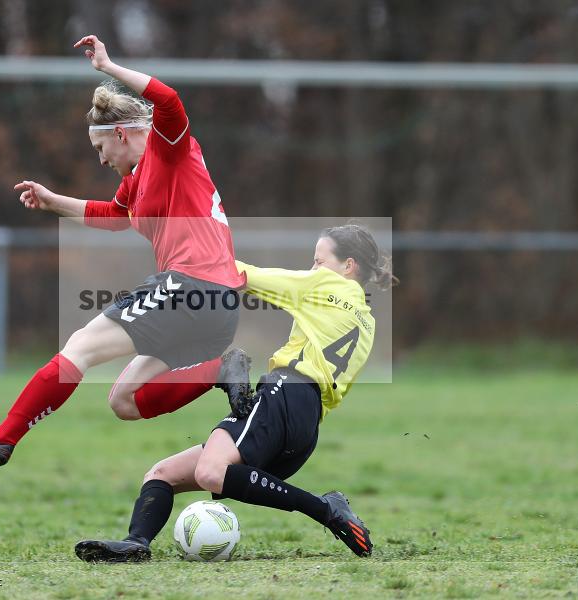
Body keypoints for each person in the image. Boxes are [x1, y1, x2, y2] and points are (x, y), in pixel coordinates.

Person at [0, 35, 252, 468]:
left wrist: (108, 67)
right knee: (124, 400)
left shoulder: (169, 149)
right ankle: (220, 370)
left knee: (81, 345)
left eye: (100, 148)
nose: (101, 160)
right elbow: (115, 214)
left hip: (191, 286)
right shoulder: (138, 179)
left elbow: (168, 98)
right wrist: (53, 202)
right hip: (216, 305)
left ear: (121, 133)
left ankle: (5, 438)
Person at [74, 224, 395, 562]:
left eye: (319, 261)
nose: (312, 269)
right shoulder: (368, 322)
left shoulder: (325, 284)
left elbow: (243, 274)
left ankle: (324, 509)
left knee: (210, 472)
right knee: (162, 474)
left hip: (283, 396)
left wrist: (191, 268)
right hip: (305, 424)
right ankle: (137, 542)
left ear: (349, 266)